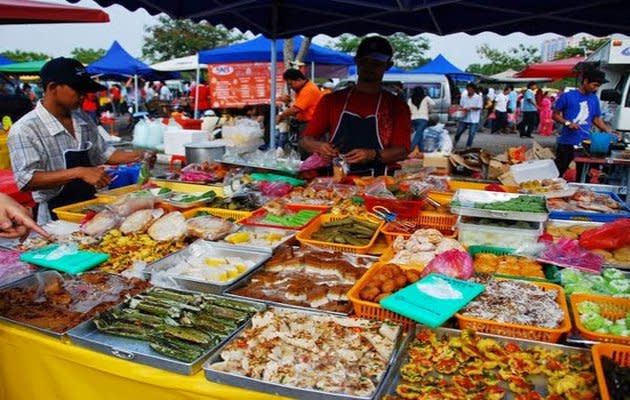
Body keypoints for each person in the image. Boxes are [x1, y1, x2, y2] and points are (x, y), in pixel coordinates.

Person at [7, 57, 151, 224]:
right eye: (78, 89)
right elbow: (26, 180)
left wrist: (140, 155)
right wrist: (80, 172)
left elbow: (103, 153)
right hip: (55, 217)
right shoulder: (25, 129)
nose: (84, 95)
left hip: (90, 208)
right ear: (52, 87)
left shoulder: (81, 119)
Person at [300, 36, 410, 175]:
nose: (369, 67)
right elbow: (306, 140)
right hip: (335, 182)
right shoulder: (332, 100)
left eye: (376, 63)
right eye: (365, 61)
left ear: (388, 65)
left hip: (379, 184)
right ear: (356, 61)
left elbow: (402, 151)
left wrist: (372, 155)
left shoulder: (397, 106)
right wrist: (320, 147)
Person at [552, 69, 617, 176]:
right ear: (585, 81)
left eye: (598, 86)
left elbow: (596, 118)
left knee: (584, 174)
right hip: (567, 142)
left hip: (586, 144)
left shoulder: (594, 98)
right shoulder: (567, 96)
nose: (596, 88)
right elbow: (555, 115)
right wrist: (568, 123)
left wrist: (608, 130)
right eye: (595, 85)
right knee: (558, 171)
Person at [276, 69, 323, 136]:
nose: (290, 87)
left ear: (299, 80)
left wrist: (282, 116)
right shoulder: (301, 89)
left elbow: (296, 109)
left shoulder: (308, 90)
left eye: (291, 84)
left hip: (311, 123)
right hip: (306, 123)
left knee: (306, 144)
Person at [453, 83, 483, 148]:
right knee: (459, 132)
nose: (469, 91)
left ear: (474, 90)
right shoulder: (464, 97)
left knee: (471, 134)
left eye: (471, 89)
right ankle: (454, 142)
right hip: (464, 118)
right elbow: (461, 106)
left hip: (474, 119)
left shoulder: (478, 97)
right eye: (468, 89)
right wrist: (460, 109)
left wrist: (471, 108)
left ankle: (468, 146)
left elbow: (479, 107)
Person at [408, 86, 435, 151]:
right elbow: (433, 104)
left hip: (413, 119)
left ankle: (421, 150)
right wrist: (429, 110)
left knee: (420, 134)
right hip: (423, 119)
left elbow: (408, 107)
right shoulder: (426, 98)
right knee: (418, 135)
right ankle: (410, 149)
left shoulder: (410, 99)